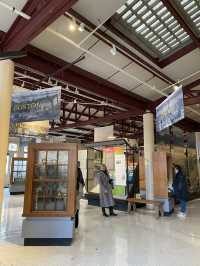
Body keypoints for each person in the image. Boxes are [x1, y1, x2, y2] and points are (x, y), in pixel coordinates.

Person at [75, 161, 85, 228]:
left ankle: (76, 224)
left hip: (77, 189)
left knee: (77, 206)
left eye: (79, 164)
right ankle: (75, 223)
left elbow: (81, 180)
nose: (78, 165)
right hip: (76, 190)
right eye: (78, 164)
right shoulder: (76, 170)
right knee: (76, 206)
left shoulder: (79, 170)